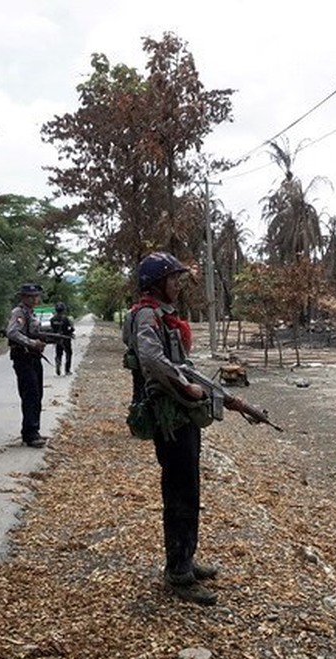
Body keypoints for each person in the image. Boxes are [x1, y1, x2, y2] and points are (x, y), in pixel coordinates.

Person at [124, 251, 223, 606]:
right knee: (180, 491)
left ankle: (186, 558)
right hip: (169, 415)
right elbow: (152, 360)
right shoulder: (147, 315)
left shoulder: (162, 315)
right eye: (173, 280)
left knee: (189, 487)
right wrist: (186, 387)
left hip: (181, 415)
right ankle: (178, 573)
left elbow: (174, 359)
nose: (178, 285)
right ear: (156, 283)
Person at [6, 283, 48, 448]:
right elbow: (12, 332)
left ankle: (32, 430)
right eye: (31, 296)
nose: (35, 299)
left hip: (33, 357)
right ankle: (30, 434)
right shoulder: (19, 312)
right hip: (23, 357)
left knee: (37, 394)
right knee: (30, 394)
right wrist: (31, 343)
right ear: (23, 297)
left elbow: (31, 332)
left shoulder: (32, 314)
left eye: (36, 296)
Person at [49, 301, 75, 376]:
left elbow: (52, 329)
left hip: (57, 339)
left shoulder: (52, 319)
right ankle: (67, 370)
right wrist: (71, 331)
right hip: (66, 338)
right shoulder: (66, 319)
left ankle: (58, 362)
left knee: (58, 353)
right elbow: (71, 328)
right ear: (63, 310)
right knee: (68, 353)